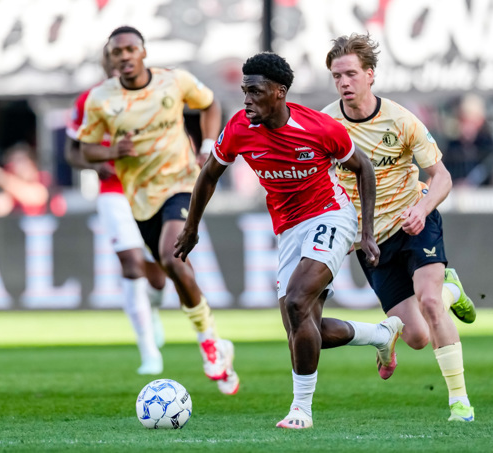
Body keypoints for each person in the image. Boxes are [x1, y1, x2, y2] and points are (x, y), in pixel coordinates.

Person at [174, 51, 403, 429]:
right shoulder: (238, 128)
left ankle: (301, 410)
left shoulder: (319, 127)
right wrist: (191, 227)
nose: (247, 100)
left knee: (297, 301)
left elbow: (363, 167)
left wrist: (366, 232)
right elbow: (209, 174)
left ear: (279, 92)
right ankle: (380, 334)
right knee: (302, 328)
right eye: (244, 91)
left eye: (255, 92)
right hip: (288, 228)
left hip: (331, 214)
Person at [322, 33, 477, 422]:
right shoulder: (326, 124)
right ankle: (451, 291)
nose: (344, 82)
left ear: (370, 74)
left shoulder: (401, 120)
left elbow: (441, 176)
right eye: (337, 76)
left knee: (429, 303)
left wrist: (422, 209)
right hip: (370, 241)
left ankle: (460, 402)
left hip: (413, 223)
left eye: (351, 74)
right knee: (418, 337)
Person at [77, 26, 239, 395]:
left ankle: (208, 343)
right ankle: (215, 340)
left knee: (171, 255)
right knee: (169, 269)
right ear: (111, 58)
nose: (124, 56)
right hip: (139, 198)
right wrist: (112, 152)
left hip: (181, 183)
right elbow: (85, 148)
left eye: (130, 49)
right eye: (117, 52)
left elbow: (210, 104)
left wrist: (208, 145)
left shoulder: (174, 81)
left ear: (144, 52)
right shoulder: (101, 99)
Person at [65, 43, 166, 375]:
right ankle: (149, 353)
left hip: (152, 191)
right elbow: (72, 152)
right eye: (113, 63)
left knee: (159, 274)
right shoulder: (89, 101)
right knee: (132, 264)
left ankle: (152, 308)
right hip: (113, 193)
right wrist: (96, 164)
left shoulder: (155, 94)